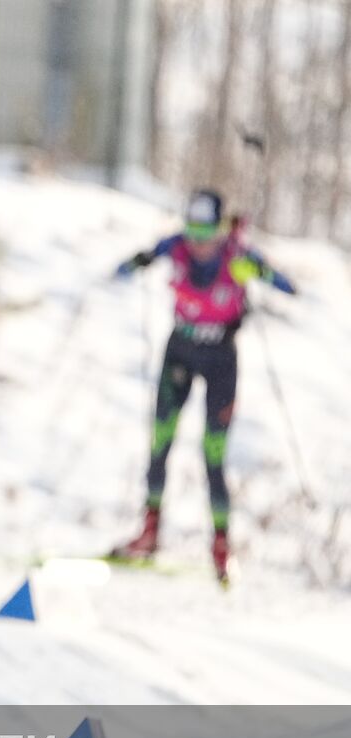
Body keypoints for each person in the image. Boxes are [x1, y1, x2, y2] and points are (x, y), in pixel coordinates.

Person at [110, 189, 297, 583]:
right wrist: (137, 263)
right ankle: (148, 534)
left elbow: (287, 286)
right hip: (180, 350)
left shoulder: (235, 254)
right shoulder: (174, 246)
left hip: (220, 359)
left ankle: (221, 547)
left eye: (205, 234)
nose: (197, 243)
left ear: (219, 229)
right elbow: (128, 266)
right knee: (160, 441)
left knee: (213, 454)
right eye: (191, 232)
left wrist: (258, 271)